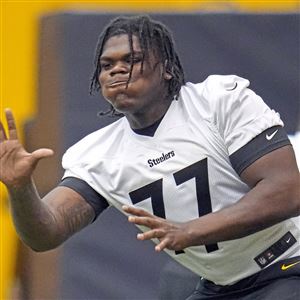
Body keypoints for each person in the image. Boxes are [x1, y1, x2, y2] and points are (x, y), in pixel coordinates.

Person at [1, 15, 299, 300]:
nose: (116, 70)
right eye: (107, 65)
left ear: (166, 68)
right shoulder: (99, 154)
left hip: (288, 263)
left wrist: (191, 230)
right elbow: (45, 233)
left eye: (131, 60)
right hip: (223, 285)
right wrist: (20, 188)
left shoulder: (218, 102)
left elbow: (287, 191)